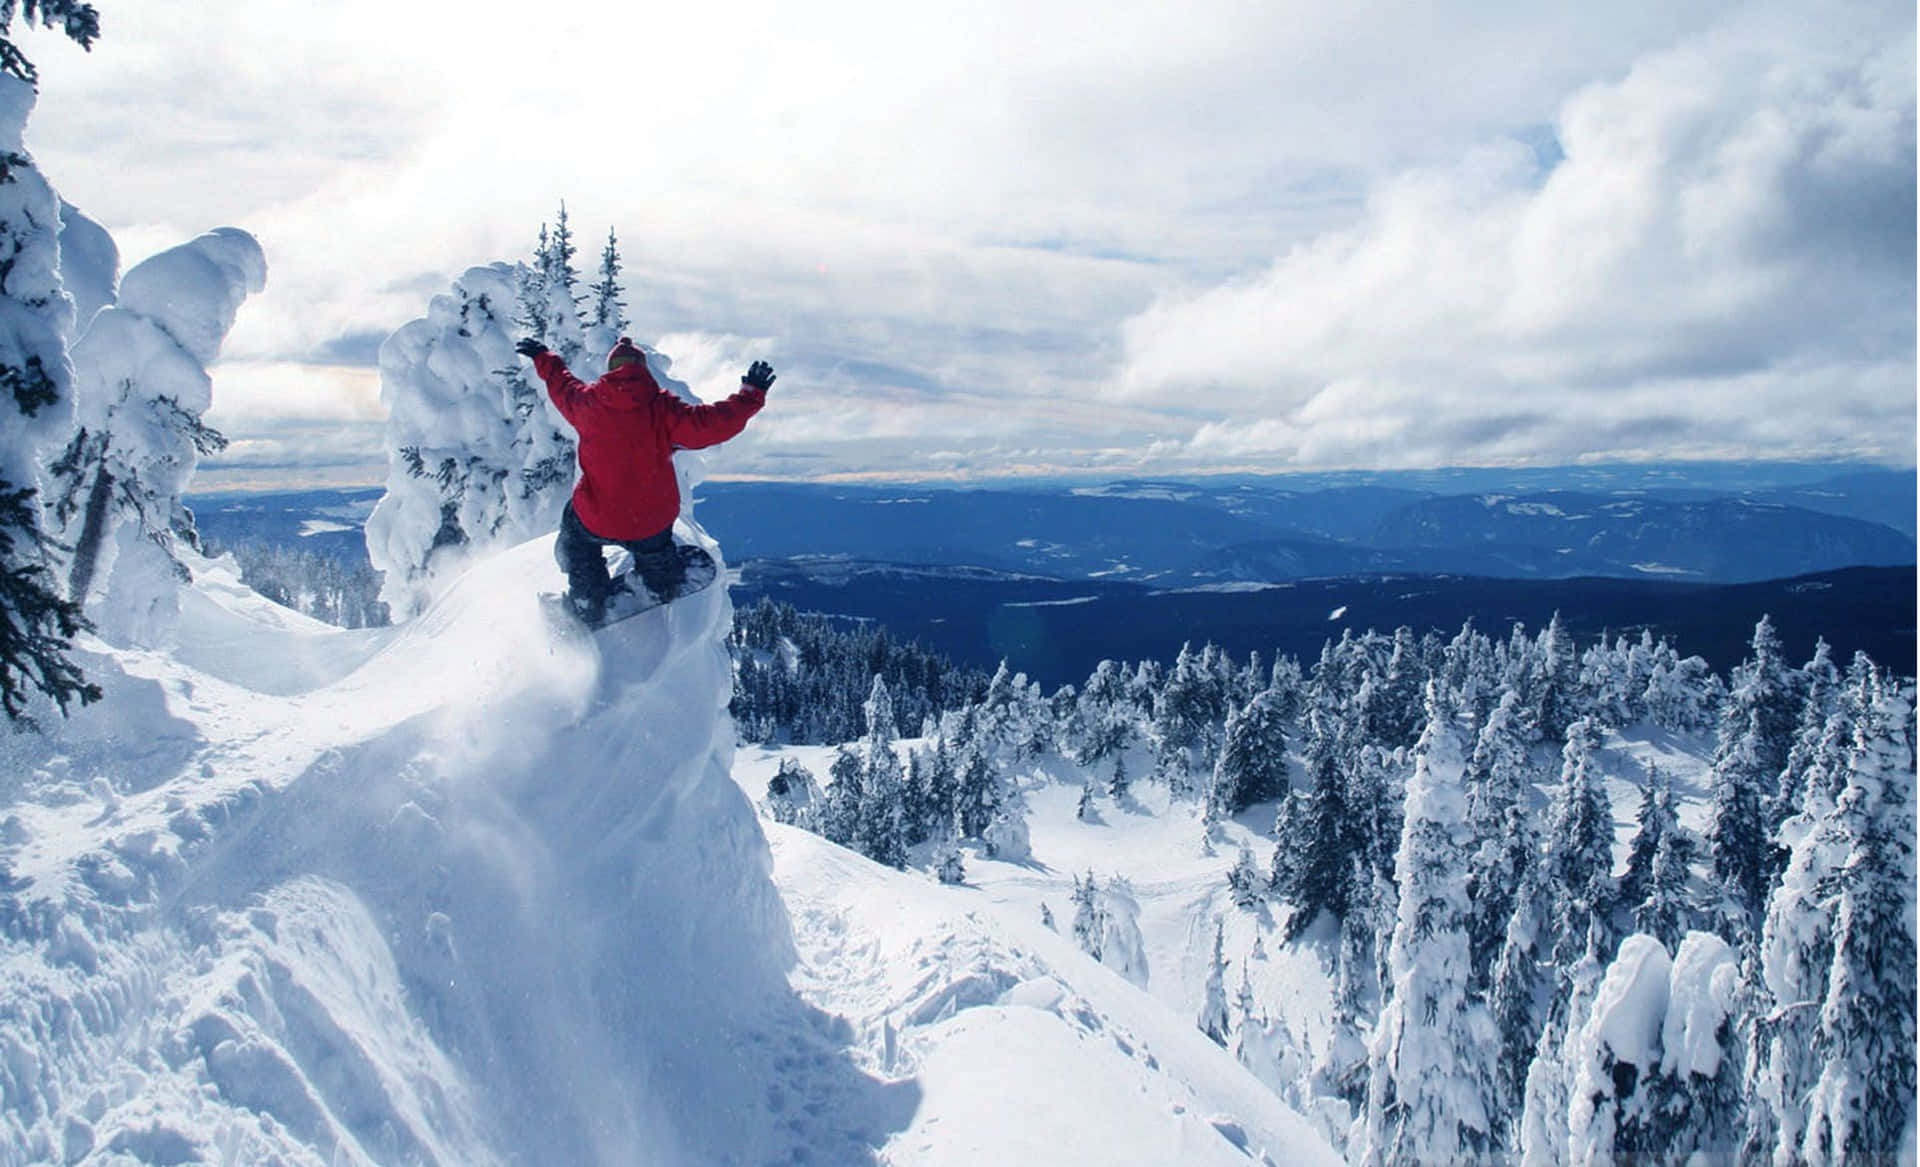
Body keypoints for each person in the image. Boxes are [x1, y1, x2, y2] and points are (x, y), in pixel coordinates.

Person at [514, 334, 773, 624]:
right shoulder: (664, 410)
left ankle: (587, 595)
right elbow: (712, 424)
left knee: (576, 539)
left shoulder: (586, 403)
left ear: (611, 369)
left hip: (595, 517)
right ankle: (660, 581)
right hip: (648, 521)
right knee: (655, 550)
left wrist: (543, 356)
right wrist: (751, 394)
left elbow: (560, 384)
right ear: (643, 368)